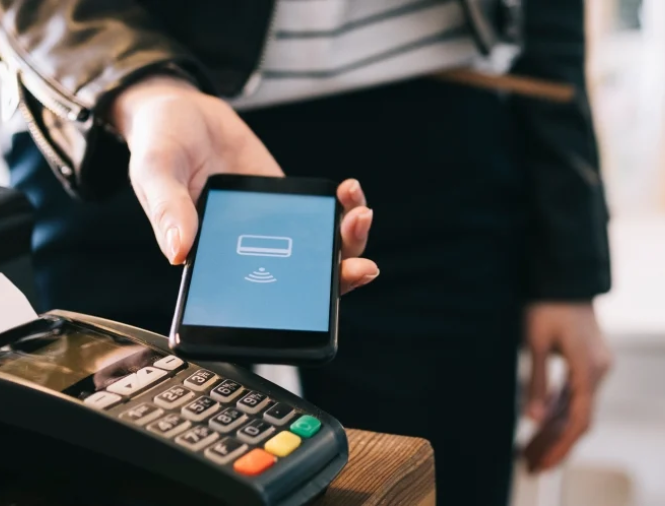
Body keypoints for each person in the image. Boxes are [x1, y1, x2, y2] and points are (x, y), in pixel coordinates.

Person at [0, 1, 613, 504]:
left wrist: (568, 265)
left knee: (434, 483)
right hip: (116, 131)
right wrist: (142, 89)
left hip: (432, 133)